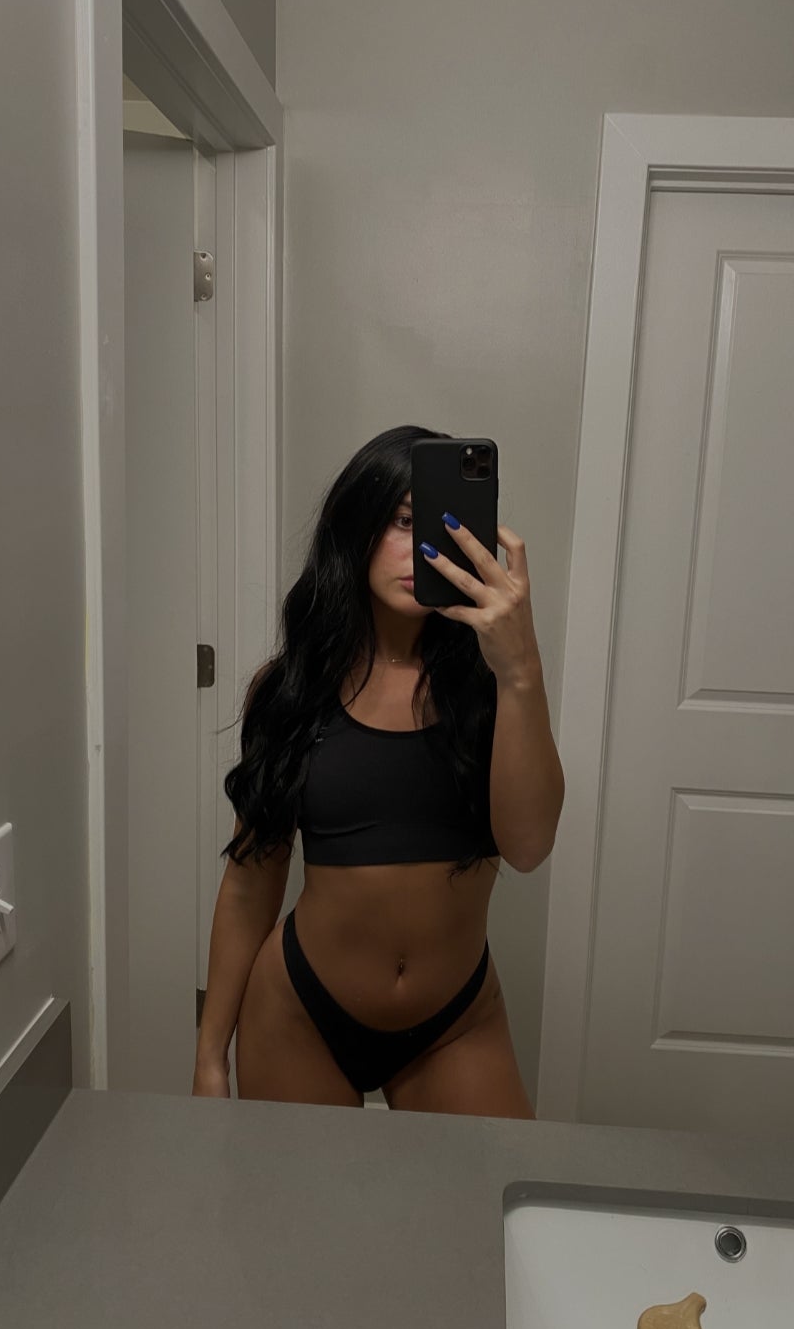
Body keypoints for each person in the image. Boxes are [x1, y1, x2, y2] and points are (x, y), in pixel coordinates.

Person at [191, 425, 564, 1114]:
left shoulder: (492, 689)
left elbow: (530, 846)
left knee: (493, 1185)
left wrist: (521, 671)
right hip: (299, 1012)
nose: (421, 547)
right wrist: (210, 1055)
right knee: (298, 1192)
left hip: (456, 1022)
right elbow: (250, 882)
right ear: (356, 529)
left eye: (441, 524)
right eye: (402, 522)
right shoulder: (290, 691)